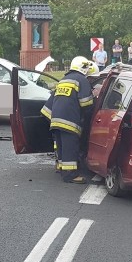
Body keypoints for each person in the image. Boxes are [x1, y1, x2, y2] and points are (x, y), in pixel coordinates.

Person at [41, 56, 97, 184]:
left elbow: (48, 106)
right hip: (70, 121)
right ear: (83, 68)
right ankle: (70, 175)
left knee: (61, 146)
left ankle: (61, 168)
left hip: (55, 120)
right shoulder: (81, 80)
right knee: (70, 147)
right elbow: (86, 103)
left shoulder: (63, 80)